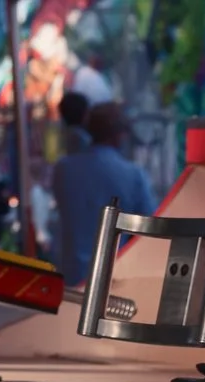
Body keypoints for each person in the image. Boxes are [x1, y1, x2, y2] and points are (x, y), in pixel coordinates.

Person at [48, 101, 153, 285]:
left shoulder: (63, 170)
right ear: (120, 135)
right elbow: (149, 229)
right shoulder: (133, 175)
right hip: (115, 278)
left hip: (71, 278)